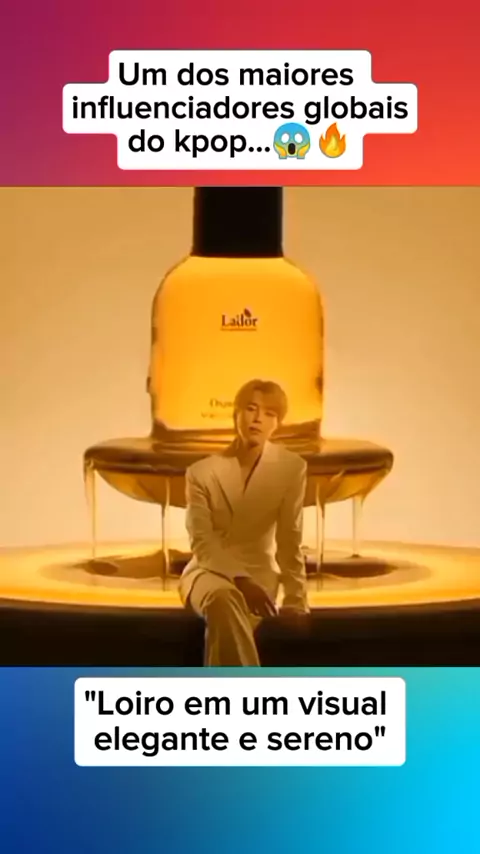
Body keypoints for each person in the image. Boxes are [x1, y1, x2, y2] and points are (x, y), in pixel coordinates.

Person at [179, 379, 309, 666]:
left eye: (269, 413)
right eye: (251, 409)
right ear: (235, 414)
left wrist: (296, 599)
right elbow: (202, 542)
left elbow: (290, 539)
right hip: (206, 572)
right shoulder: (201, 472)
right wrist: (240, 579)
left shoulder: (291, 468)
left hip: (261, 576)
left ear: (277, 423)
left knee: (228, 613)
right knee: (223, 599)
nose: (258, 418)